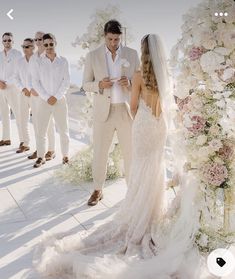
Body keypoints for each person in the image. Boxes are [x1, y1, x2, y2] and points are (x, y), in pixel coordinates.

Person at [34, 34, 196, 279]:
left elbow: (133, 105)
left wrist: (133, 92)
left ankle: (137, 212)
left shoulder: (139, 75)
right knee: (156, 165)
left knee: (140, 166)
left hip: (142, 125)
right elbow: (167, 104)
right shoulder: (167, 76)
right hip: (159, 126)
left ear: (144, 52)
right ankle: (153, 212)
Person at [83, 20, 140, 206]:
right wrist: (99, 84)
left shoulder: (132, 54)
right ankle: (97, 189)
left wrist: (130, 84)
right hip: (103, 112)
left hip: (125, 109)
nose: (114, 43)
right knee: (100, 152)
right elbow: (85, 84)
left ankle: (131, 191)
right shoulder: (93, 56)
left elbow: (140, 82)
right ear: (104, 36)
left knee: (130, 152)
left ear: (120, 36)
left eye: (117, 39)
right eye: (110, 39)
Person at [32, 33, 70, 168]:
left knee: (64, 130)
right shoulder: (38, 61)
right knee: (41, 131)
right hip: (44, 101)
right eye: (45, 44)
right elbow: (35, 82)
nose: (48, 47)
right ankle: (41, 157)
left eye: (51, 44)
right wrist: (47, 97)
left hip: (60, 101)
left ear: (55, 43)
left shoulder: (63, 61)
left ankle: (65, 156)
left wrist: (56, 96)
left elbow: (66, 81)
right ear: (43, 45)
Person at [28, 31, 56, 161]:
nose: (38, 41)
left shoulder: (50, 55)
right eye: (36, 39)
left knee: (49, 124)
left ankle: (51, 150)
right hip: (34, 95)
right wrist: (30, 88)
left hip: (47, 95)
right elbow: (30, 75)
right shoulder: (33, 58)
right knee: (37, 124)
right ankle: (40, 149)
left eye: (41, 39)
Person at [0, 32, 22, 147]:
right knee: (4, 114)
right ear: (2, 42)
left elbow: (17, 73)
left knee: (18, 114)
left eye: (9, 40)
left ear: (13, 42)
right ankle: (6, 138)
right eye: (5, 40)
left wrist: (6, 83)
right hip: (0, 88)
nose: (7, 42)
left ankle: (23, 141)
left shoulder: (17, 54)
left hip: (12, 88)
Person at [14, 38, 35, 153]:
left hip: (35, 94)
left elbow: (40, 78)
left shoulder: (38, 60)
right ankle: (25, 143)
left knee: (37, 121)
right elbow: (15, 77)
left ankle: (39, 147)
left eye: (27, 46)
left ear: (33, 47)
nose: (24, 49)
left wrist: (32, 89)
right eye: (23, 46)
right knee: (22, 119)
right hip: (23, 94)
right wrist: (23, 89)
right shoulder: (19, 61)